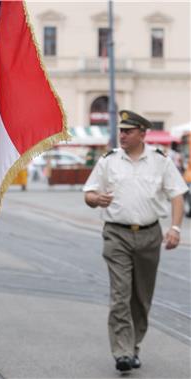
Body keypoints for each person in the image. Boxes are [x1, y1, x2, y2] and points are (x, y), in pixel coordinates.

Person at [83, 110, 188, 372]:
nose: (122, 135)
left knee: (141, 297)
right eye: (121, 131)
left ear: (143, 133)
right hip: (116, 234)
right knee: (120, 295)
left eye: (128, 132)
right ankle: (122, 352)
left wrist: (174, 228)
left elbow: (177, 194)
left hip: (149, 235)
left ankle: (134, 345)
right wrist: (96, 200)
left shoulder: (160, 161)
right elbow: (88, 193)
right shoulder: (109, 160)